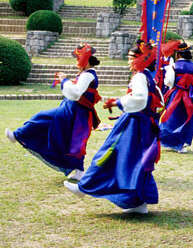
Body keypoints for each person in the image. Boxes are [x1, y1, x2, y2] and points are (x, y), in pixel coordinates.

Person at [64, 40, 163, 214]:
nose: (129, 61)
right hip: (143, 124)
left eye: (132, 58)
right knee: (135, 161)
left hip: (134, 123)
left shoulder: (140, 76)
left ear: (140, 59)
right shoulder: (147, 76)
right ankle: (138, 203)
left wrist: (118, 102)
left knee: (109, 153)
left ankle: (84, 187)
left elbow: (140, 100)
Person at [6, 44, 101, 181]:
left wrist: (64, 80)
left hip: (76, 111)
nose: (76, 62)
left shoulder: (87, 75)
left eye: (78, 58)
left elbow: (75, 93)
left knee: (73, 139)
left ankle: (17, 135)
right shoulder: (85, 74)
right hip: (72, 109)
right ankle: (17, 135)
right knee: (71, 139)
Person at [159, 40, 193, 153]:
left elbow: (169, 81)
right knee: (187, 118)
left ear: (178, 54)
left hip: (177, 95)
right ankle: (183, 144)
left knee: (172, 117)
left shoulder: (174, 66)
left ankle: (170, 142)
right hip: (190, 96)